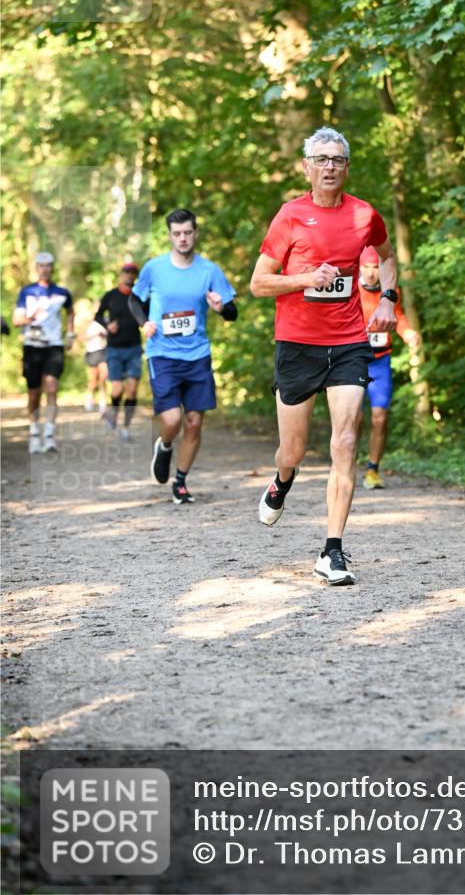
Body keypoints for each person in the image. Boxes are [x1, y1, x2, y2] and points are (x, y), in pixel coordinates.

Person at [250, 126, 398, 586]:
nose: (330, 166)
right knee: (293, 449)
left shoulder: (364, 215)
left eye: (337, 159)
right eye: (321, 159)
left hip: (349, 343)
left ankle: (332, 550)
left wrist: (389, 299)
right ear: (307, 167)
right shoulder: (290, 217)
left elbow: (388, 256)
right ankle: (282, 479)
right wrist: (305, 279)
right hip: (296, 345)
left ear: (346, 166)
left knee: (346, 441)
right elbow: (258, 283)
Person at [129, 208, 238, 504]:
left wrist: (220, 308)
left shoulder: (209, 270)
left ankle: (180, 481)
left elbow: (232, 312)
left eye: (188, 232)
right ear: (169, 236)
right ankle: (164, 446)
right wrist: (144, 323)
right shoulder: (154, 268)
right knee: (174, 419)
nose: (183, 238)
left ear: (195, 233)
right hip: (162, 353)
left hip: (197, 355)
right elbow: (134, 300)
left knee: (194, 422)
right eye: (177, 233)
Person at [357, 245, 420, 489]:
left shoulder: (390, 291)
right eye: (366, 267)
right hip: (355, 361)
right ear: (360, 268)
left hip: (381, 361)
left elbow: (399, 317)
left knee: (380, 417)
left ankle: (372, 470)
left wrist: (407, 334)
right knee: (354, 418)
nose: (371, 273)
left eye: (375, 267)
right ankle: (346, 465)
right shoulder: (351, 289)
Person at [12, 251, 74, 453]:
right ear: (36, 268)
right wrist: (31, 317)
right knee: (33, 394)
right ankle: (34, 432)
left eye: (48, 265)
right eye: (41, 265)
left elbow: (71, 311)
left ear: (52, 268)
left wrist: (70, 333)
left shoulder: (62, 292)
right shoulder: (26, 292)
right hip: (32, 346)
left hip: (54, 346)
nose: (45, 269)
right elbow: (16, 321)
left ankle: (49, 435)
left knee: (52, 388)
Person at [95, 262, 144, 440]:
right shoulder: (110, 295)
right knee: (117, 389)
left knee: (131, 390)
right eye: (127, 272)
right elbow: (98, 315)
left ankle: (126, 428)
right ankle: (113, 413)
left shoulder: (139, 296)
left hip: (134, 348)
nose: (130, 276)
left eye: (133, 273)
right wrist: (107, 325)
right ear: (121, 274)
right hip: (114, 348)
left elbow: (149, 315)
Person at [83, 317, 108, 414]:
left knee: (103, 378)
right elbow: (82, 337)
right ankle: (89, 399)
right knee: (93, 379)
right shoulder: (89, 323)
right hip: (92, 352)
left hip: (103, 351)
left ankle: (103, 402)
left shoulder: (106, 321)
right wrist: (94, 335)